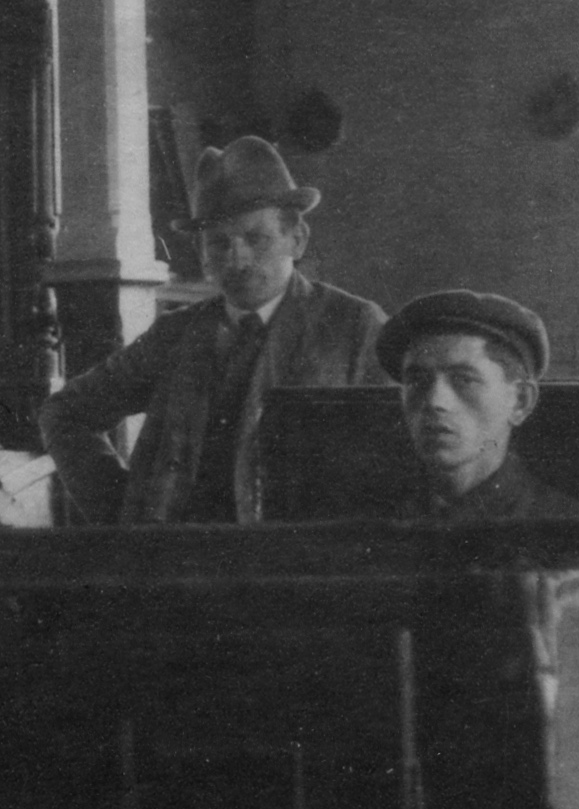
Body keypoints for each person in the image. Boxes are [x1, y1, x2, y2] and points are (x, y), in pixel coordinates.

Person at [40, 136, 387, 525]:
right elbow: (64, 413)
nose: (236, 259)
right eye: (219, 244)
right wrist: (123, 512)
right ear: (202, 253)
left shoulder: (353, 327)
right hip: (183, 569)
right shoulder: (174, 335)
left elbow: (395, 456)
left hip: (299, 566)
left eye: (255, 239)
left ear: (297, 239)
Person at [375, 289, 579, 523]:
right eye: (417, 380)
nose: (434, 401)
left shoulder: (575, 530)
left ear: (520, 401)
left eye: (464, 380)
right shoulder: (369, 524)